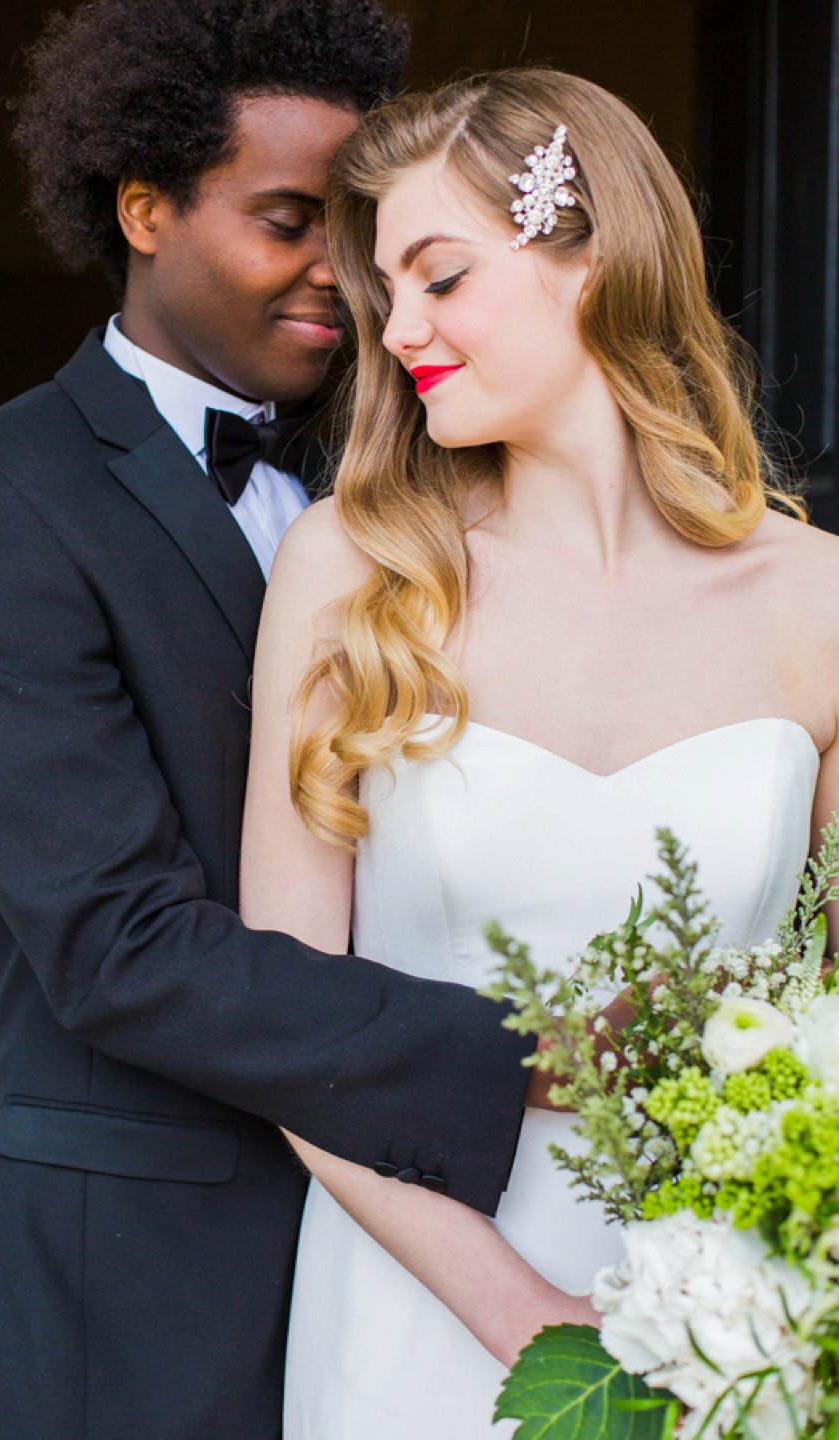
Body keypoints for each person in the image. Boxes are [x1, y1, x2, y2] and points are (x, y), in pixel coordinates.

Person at [0, 9, 550, 1439]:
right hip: (131, 1298)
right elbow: (115, 946)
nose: (341, 275)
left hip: (424, 1271)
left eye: (359, 230)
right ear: (144, 208)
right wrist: (535, 1059)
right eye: (290, 220)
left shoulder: (425, 468)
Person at [240, 66, 839, 1437]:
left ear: (595, 257)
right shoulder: (350, 570)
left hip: (731, 1315)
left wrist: (765, 1297)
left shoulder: (821, 604)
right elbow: (283, 1019)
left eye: (440, 278)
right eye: (387, 294)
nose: (399, 332)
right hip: (416, 1306)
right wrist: (529, 1319)